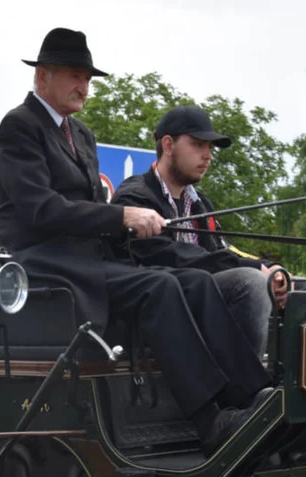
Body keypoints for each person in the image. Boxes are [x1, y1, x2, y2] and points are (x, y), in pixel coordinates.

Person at [0, 27, 275, 454]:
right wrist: (123, 215)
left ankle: (252, 397)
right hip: (46, 265)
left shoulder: (80, 135)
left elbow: (90, 210)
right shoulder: (19, 126)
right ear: (42, 78)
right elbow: (40, 210)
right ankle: (209, 420)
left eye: (87, 77)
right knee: (160, 287)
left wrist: (126, 228)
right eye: (73, 75)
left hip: (94, 260)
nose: (83, 86)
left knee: (193, 280)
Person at [110, 105, 286, 353]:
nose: (208, 156)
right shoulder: (135, 198)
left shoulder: (200, 203)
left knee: (302, 288)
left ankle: (288, 386)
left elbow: (224, 249)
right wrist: (256, 270)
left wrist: (270, 268)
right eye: (198, 145)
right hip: (165, 304)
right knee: (252, 282)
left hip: (205, 296)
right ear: (169, 146)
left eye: (210, 148)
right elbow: (173, 256)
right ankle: (249, 388)